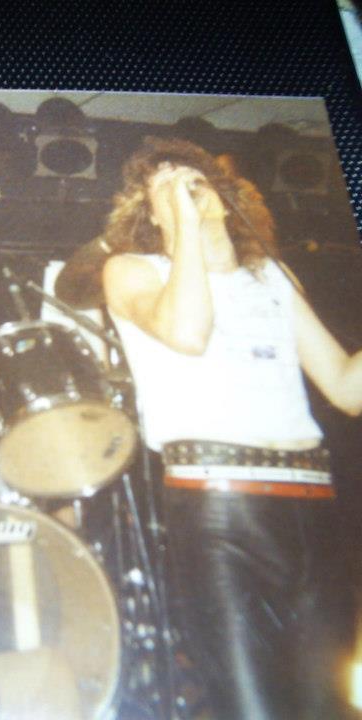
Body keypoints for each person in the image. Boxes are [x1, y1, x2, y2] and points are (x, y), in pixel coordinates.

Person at [100, 136, 362, 719]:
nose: (181, 183)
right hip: (221, 512)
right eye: (163, 182)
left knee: (328, 707)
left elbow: (346, 389)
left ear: (226, 193)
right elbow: (188, 332)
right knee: (252, 709)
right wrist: (184, 230)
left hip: (313, 507)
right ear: (148, 213)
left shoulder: (272, 276)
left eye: (193, 177)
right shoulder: (133, 271)